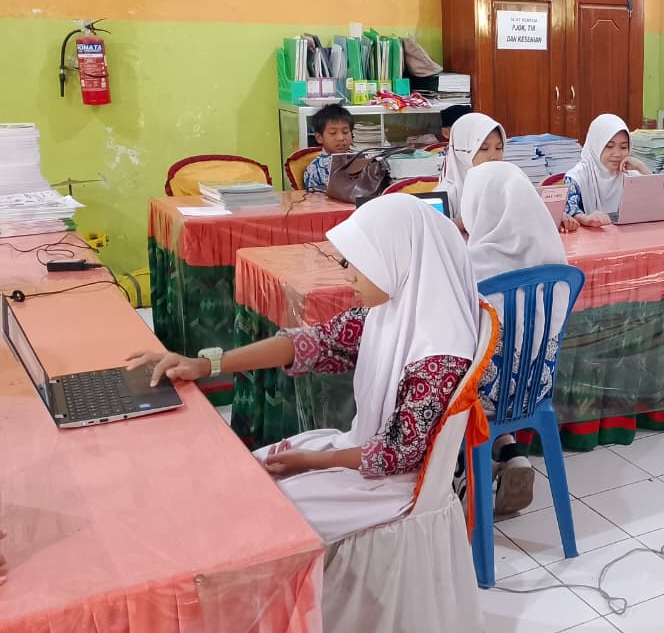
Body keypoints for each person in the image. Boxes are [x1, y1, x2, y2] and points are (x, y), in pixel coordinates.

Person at [126, 194, 480, 544]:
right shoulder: (388, 313)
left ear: (397, 261)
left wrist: (314, 461)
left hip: (393, 485)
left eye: (356, 265)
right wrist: (207, 364)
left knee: (259, 514)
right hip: (363, 454)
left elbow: (397, 455)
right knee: (245, 476)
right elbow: (311, 343)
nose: (348, 277)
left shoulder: (439, 356)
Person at [462, 161, 572, 515]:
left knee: (436, 379)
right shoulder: (554, 261)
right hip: (534, 389)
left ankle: (462, 476)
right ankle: (511, 452)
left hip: (482, 395)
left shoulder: (470, 265)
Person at [564, 113, 650, 228]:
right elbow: (570, 211)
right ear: (596, 145)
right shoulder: (576, 177)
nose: (617, 154)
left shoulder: (631, 175)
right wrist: (586, 219)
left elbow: (657, 201)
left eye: (623, 147)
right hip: (589, 237)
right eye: (609, 146)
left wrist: (641, 167)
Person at [440, 112, 506, 211]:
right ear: (462, 151)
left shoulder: (507, 185)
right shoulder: (446, 196)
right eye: (484, 148)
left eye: (499, 148)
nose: (494, 156)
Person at [302, 103, 355, 192]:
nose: (341, 138)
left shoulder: (358, 160)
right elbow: (312, 198)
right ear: (319, 138)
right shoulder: (314, 169)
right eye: (333, 133)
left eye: (345, 132)